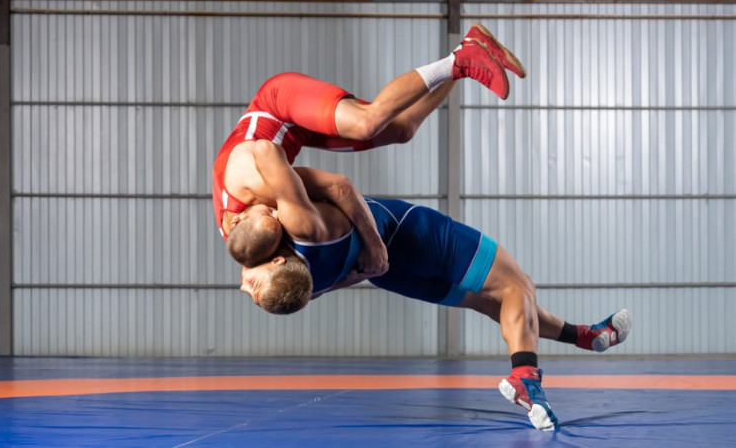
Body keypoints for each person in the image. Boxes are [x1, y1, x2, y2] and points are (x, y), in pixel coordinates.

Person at [236, 164, 632, 432]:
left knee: (495, 302)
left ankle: (584, 336)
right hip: (406, 236)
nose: (241, 282)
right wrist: (375, 246)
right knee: (517, 287)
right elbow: (329, 180)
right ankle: (527, 379)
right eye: (251, 283)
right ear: (273, 258)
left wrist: (373, 264)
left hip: (390, 274)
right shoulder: (298, 220)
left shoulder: (305, 285)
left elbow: (349, 275)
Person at [214, 24, 527, 270]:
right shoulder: (246, 242)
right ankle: (467, 54)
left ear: (240, 219)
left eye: (267, 213)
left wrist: (374, 245)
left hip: (277, 106)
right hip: (296, 136)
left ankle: (461, 58)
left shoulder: (252, 177)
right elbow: (254, 273)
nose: (275, 211)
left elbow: (338, 186)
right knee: (403, 129)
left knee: (367, 122)